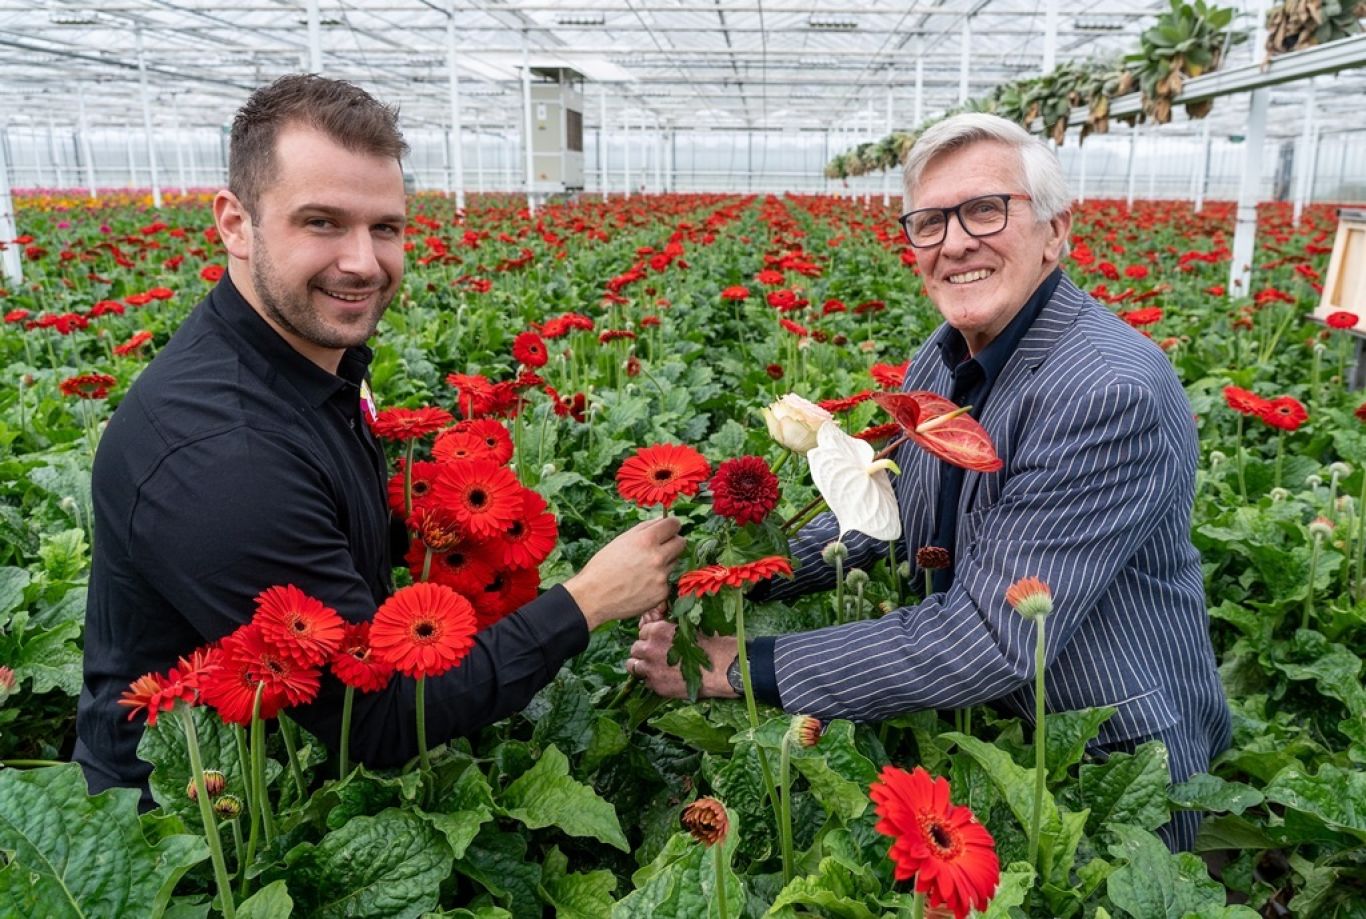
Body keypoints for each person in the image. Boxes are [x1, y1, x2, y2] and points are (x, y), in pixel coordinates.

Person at [629, 112, 1231, 851]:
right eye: (929, 222)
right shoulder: (941, 358)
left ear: (1055, 232)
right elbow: (890, 517)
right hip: (977, 739)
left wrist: (738, 666)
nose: (955, 242)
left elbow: (988, 636)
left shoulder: (1106, 390)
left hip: (1104, 768)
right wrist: (731, 573)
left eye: (986, 210)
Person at [76, 74, 685, 803]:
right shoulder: (224, 453)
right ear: (236, 224)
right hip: (195, 824)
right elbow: (381, 719)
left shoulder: (305, 366)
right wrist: (589, 599)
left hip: (295, 770)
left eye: (386, 227)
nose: (363, 261)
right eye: (322, 222)